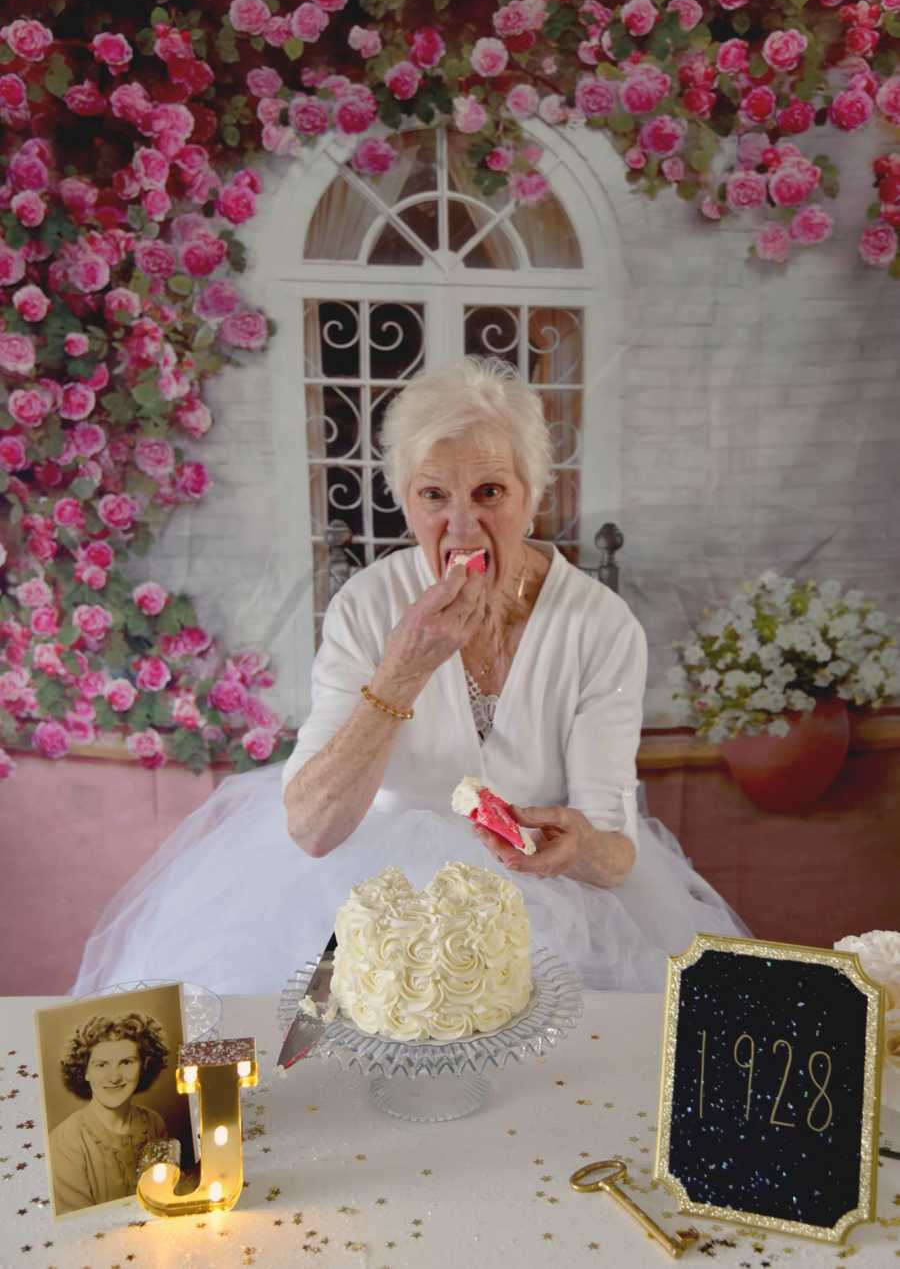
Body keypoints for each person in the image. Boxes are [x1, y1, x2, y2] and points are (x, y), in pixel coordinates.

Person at [73, 357, 746, 998]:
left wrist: (575, 850)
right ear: (405, 502)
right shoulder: (366, 606)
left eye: (490, 493)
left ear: (533, 497)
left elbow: (613, 851)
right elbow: (311, 829)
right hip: (367, 898)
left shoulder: (599, 623)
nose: (462, 527)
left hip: (542, 903)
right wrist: (404, 668)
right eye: (433, 496)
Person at [49, 1012, 168, 1214]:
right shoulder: (66, 1140)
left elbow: (164, 1198)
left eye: (126, 1062)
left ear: (144, 1066)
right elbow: (79, 1225)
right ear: (85, 1071)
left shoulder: (154, 1123)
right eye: (101, 1065)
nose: (114, 1077)